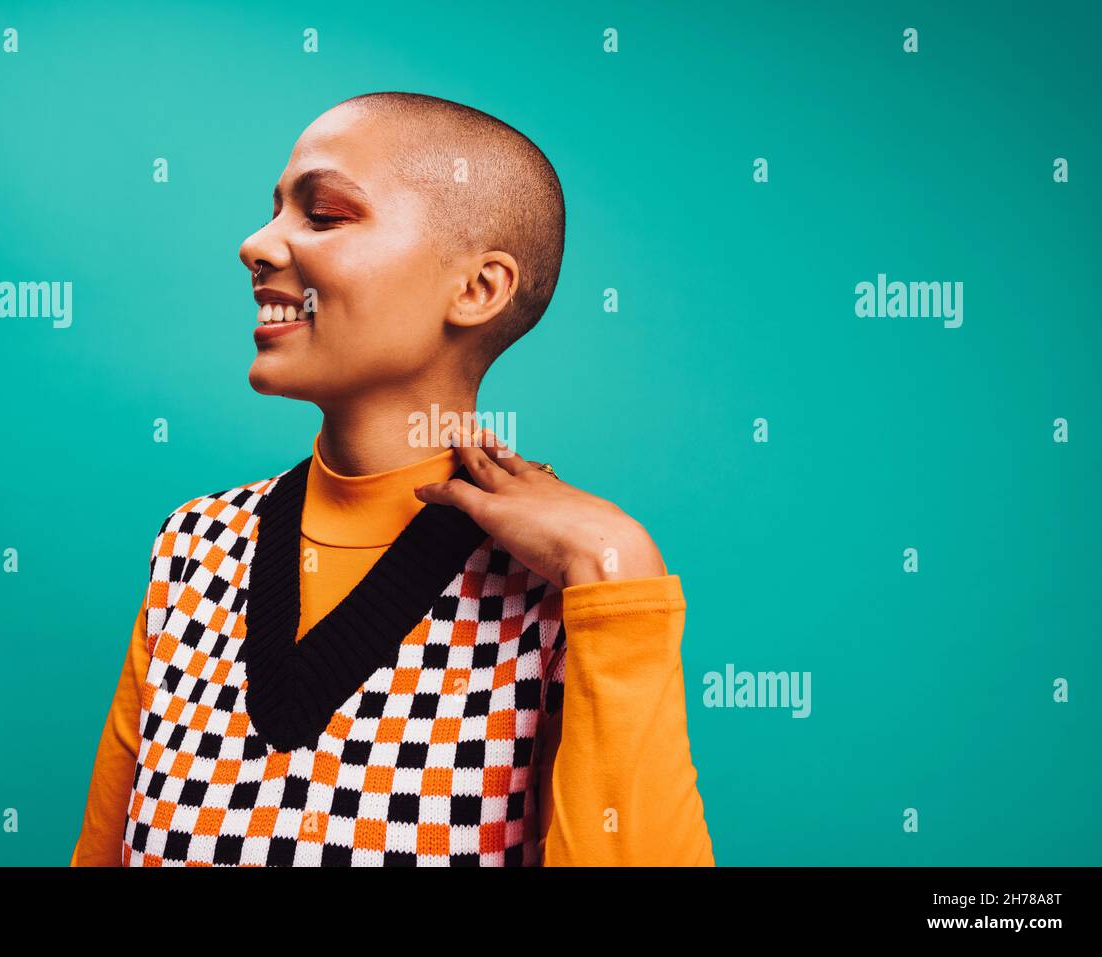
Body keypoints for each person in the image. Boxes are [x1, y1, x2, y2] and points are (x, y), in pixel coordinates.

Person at [70, 91, 715, 866]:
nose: (255, 245)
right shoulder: (193, 547)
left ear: (477, 289)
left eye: (325, 214)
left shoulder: (565, 591)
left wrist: (620, 566)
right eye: (273, 210)